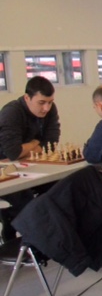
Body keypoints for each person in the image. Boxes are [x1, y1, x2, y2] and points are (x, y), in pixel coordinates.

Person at [0, 76, 60, 240]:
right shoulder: (11, 112)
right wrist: (35, 143)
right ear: (27, 98)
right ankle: (23, 238)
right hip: (5, 173)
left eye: (50, 102)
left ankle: (52, 237)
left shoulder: (50, 109)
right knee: (24, 199)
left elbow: (52, 142)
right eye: (41, 103)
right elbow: (12, 152)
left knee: (59, 188)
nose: (46, 108)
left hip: (26, 166)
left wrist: (26, 149)